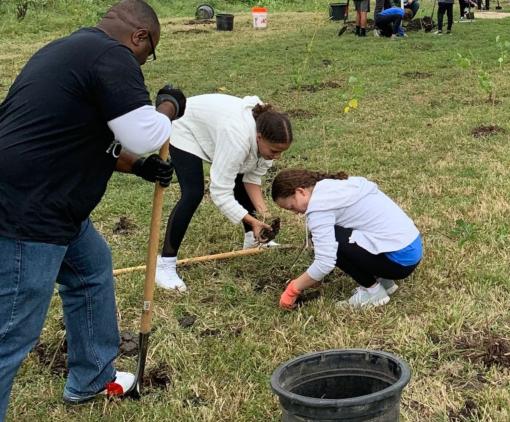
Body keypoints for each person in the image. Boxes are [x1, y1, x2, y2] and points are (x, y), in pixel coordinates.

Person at [0, 0, 184, 417]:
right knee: (10, 330)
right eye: (148, 53)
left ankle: (91, 379)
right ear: (140, 37)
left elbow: (80, 134)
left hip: (54, 202)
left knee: (91, 269)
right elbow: (142, 132)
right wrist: (170, 104)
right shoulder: (112, 56)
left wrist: (139, 166)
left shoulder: (65, 50)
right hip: (29, 208)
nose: (143, 61)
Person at [155, 94, 293, 292]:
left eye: (282, 152)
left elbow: (251, 180)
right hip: (186, 125)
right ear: (259, 137)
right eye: (274, 151)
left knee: (241, 173)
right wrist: (251, 220)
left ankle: (251, 240)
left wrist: (264, 215)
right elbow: (220, 192)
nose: (277, 157)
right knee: (192, 193)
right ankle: (165, 264)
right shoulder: (236, 138)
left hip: (215, 127)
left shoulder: (266, 130)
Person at [273, 170, 422, 309]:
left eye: (292, 207)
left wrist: (293, 289)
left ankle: (374, 293)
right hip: (411, 249)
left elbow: (325, 262)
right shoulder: (336, 186)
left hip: (398, 262)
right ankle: (386, 282)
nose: (295, 213)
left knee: (334, 240)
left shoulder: (319, 209)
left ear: (301, 191)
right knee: (341, 233)